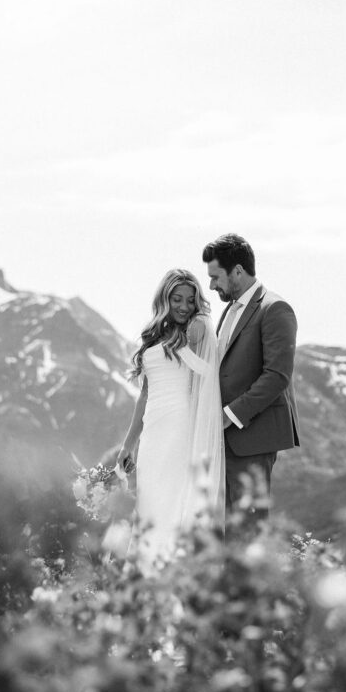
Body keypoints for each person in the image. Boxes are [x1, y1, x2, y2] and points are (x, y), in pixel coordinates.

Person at [117, 269, 224, 566]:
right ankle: (145, 573)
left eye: (190, 300)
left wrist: (191, 339)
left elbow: (209, 374)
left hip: (181, 426)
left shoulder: (197, 329)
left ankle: (171, 572)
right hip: (153, 432)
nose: (183, 306)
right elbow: (145, 395)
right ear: (165, 298)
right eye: (177, 299)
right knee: (150, 503)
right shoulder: (153, 336)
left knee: (173, 500)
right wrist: (128, 446)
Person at [202, 234, 299, 522]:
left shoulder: (275, 309)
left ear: (238, 271)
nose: (211, 285)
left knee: (248, 530)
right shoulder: (229, 310)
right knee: (226, 527)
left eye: (216, 276)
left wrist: (227, 416)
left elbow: (276, 376)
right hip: (225, 440)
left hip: (252, 438)